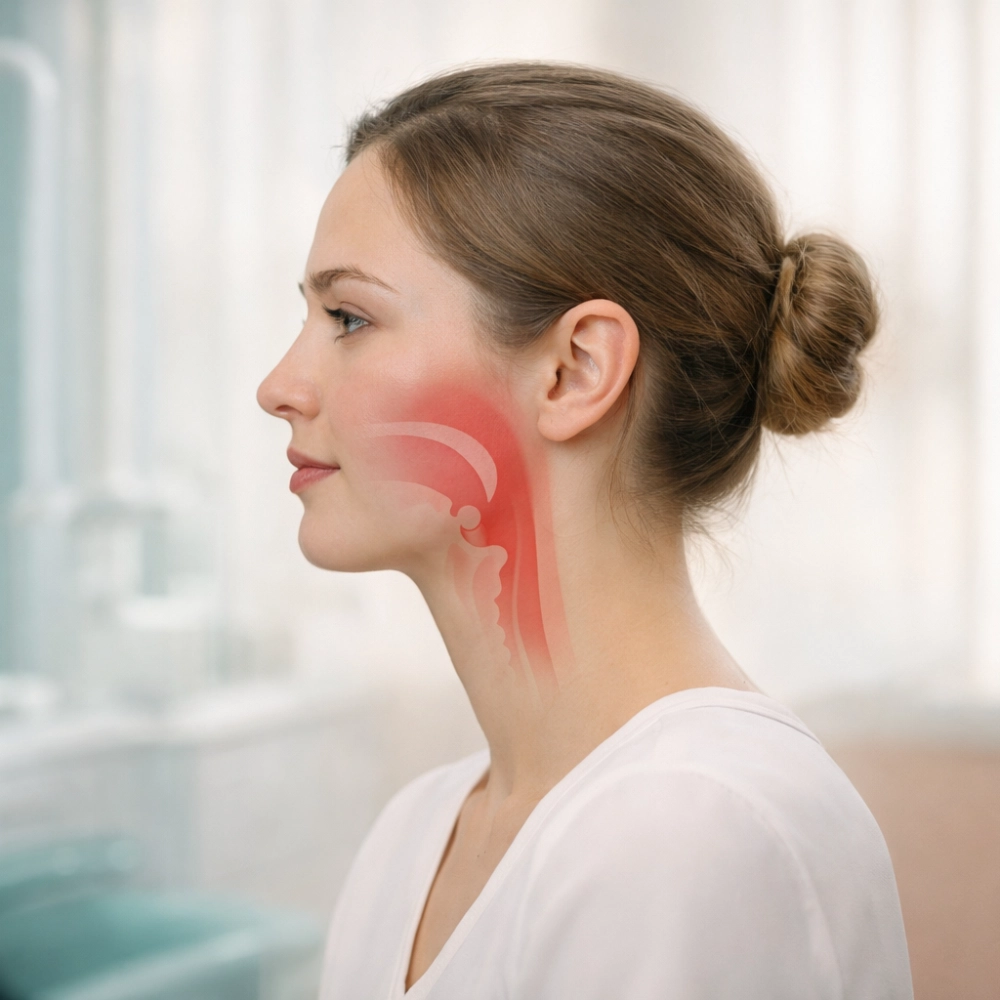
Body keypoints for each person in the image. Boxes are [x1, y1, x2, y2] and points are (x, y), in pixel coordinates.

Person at [257, 62, 913, 1000]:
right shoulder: (413, 838)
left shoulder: (696, 831)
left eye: (350, 317)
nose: (279, 385)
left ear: (574, 370)